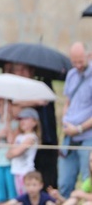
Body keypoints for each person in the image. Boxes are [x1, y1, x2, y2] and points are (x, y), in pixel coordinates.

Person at [12, 62, 59, 189]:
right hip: (27, 141)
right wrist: (35, 101)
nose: (21, 73)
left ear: (32, 71)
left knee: (48, 181)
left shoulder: (42, 85)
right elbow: (14, 105)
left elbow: (45, 100)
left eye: (24, 70)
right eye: (17, 70)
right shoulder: (17, 89)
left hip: (46, 140)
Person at [58, 42, 92, 199]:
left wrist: (79, 128)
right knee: (64, 182)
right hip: (69, 137)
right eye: (74, 62)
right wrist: (65, 121)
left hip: (87, 138)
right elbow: (67, 102)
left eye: (81, 61)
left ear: (88, 56)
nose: (78, 65)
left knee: (88, 182)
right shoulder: (71, 75)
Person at [9, 108, 41, 196]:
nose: (22, 121)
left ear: (34, 122)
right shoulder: (19, 137)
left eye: (26, 119)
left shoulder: (31, 138)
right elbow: (9, 154)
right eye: (21, 119)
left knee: (26, 197)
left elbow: (16, 152)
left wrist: (13, 151)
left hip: (26, 172)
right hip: (17, 171)